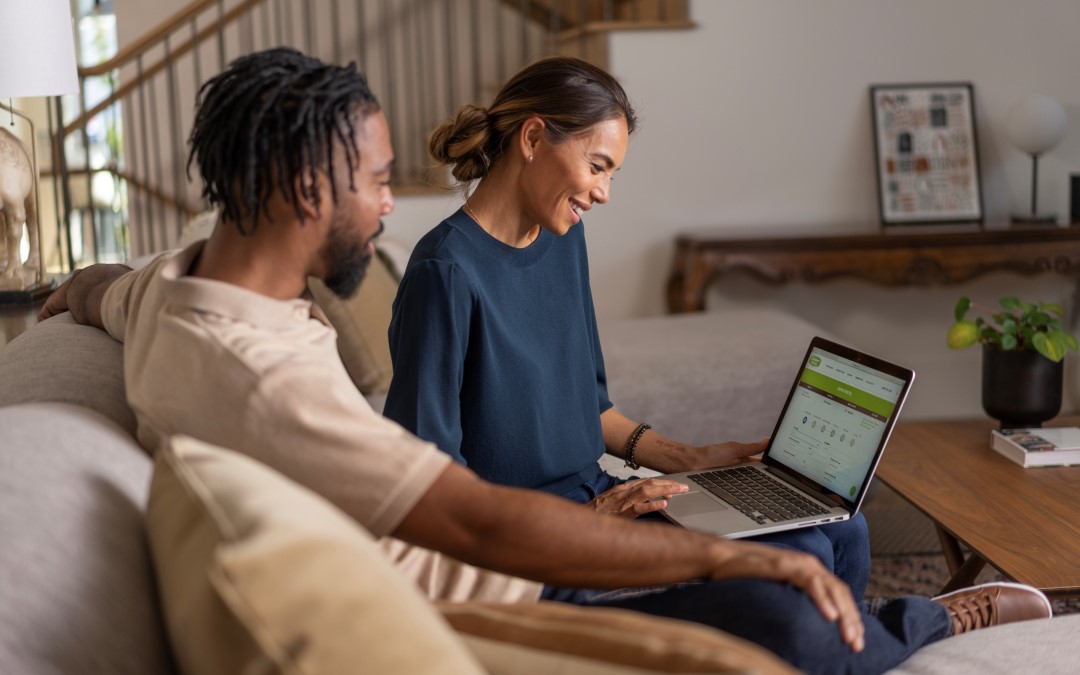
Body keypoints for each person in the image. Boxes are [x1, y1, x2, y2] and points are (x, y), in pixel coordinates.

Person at [38, 47, 1051, 675]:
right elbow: (471, 516)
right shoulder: (263, 374)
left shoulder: (177, 290)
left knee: (834, 530)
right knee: (790, 610)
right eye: (379, 182)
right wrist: (704, 546)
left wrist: (70, 292)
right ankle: (920, 627)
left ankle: (874, 630)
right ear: (308, 188)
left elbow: (111, 287)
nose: (393, 204)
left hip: (568, 511)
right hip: (502, 586)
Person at [382, 56, 871, 599]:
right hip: (533, 551)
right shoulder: (444, 272)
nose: (603, 193)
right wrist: (593, 518)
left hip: (607, 502)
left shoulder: (562, 239)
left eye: (611, 174)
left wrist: (692, 458)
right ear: (534, 138)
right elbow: (433, 493)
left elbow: (590, 407)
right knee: (797, 557)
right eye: (597, 166)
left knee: (840, 528)